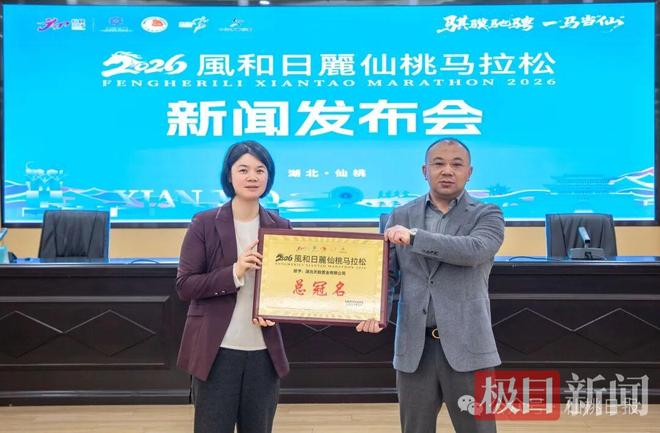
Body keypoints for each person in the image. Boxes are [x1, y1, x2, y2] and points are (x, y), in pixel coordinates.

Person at [357, 137, 505, 433]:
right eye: (439, 163)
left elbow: (474, 251)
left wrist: (415, 238)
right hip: (415, 347)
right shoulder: (400, 215)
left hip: (469, 347)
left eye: (456, 164)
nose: (447, 170)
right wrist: (374, 310)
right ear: (425, 171)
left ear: (469, 173)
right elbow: (387, 274)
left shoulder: (487, 214)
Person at [176, 140, 290, 433]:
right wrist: (235, 272)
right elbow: (185, 286)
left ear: (269, 176)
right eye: (243, 170)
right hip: (217, 350)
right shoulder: (204, 223)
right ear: (229, 175)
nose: (252, 177)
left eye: (260, 170)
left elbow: (289, 289)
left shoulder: (281, 227)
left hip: (264, 352)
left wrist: (279, 309)